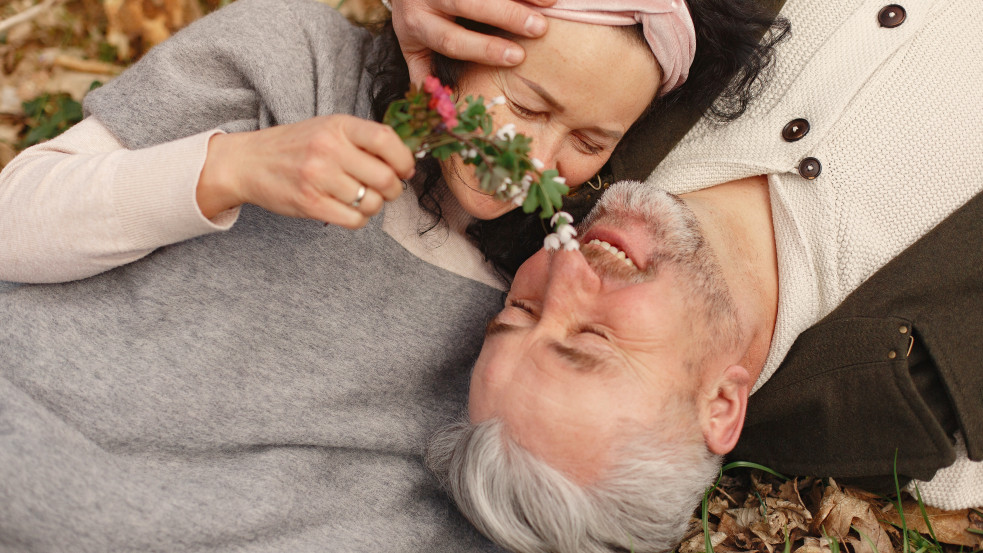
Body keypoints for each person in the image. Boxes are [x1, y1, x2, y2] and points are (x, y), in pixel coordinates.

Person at [0, 0, 783, 551]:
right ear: (454, 36)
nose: (534, 163)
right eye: (524, 104)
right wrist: (230, 170)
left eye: (587, 139)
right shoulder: (292, 62)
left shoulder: (528, 296)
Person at [423, 0, 983, 551]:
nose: (564, 265)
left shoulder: (548, 137)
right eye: (593, 338)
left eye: (519, 311)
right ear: (720, 405)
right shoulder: (933, 400)